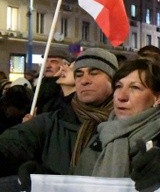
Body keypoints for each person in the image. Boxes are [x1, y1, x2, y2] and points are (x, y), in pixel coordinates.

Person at [73, 58, 160, 192]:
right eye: (118, 86)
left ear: (158, 98)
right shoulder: (99, 138)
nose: (122, 96)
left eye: (135, 87)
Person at [0, 48, 117, 178]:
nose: (84, 80)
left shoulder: (127, 124)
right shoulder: (52, 122)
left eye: (94, 73)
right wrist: (44, 173)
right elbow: (11, 145)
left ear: (113, 80)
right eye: (78, 75)